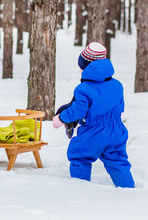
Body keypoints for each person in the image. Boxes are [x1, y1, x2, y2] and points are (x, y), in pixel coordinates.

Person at [53, 42, 135, 188]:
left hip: (94, 131)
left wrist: (60, 118)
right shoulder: (117, 85)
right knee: (117, 160)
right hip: (116, 130)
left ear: (86, 67)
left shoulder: (84, 88)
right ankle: (128, 189)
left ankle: (81, 189)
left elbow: (78, 111)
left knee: (80, 156)